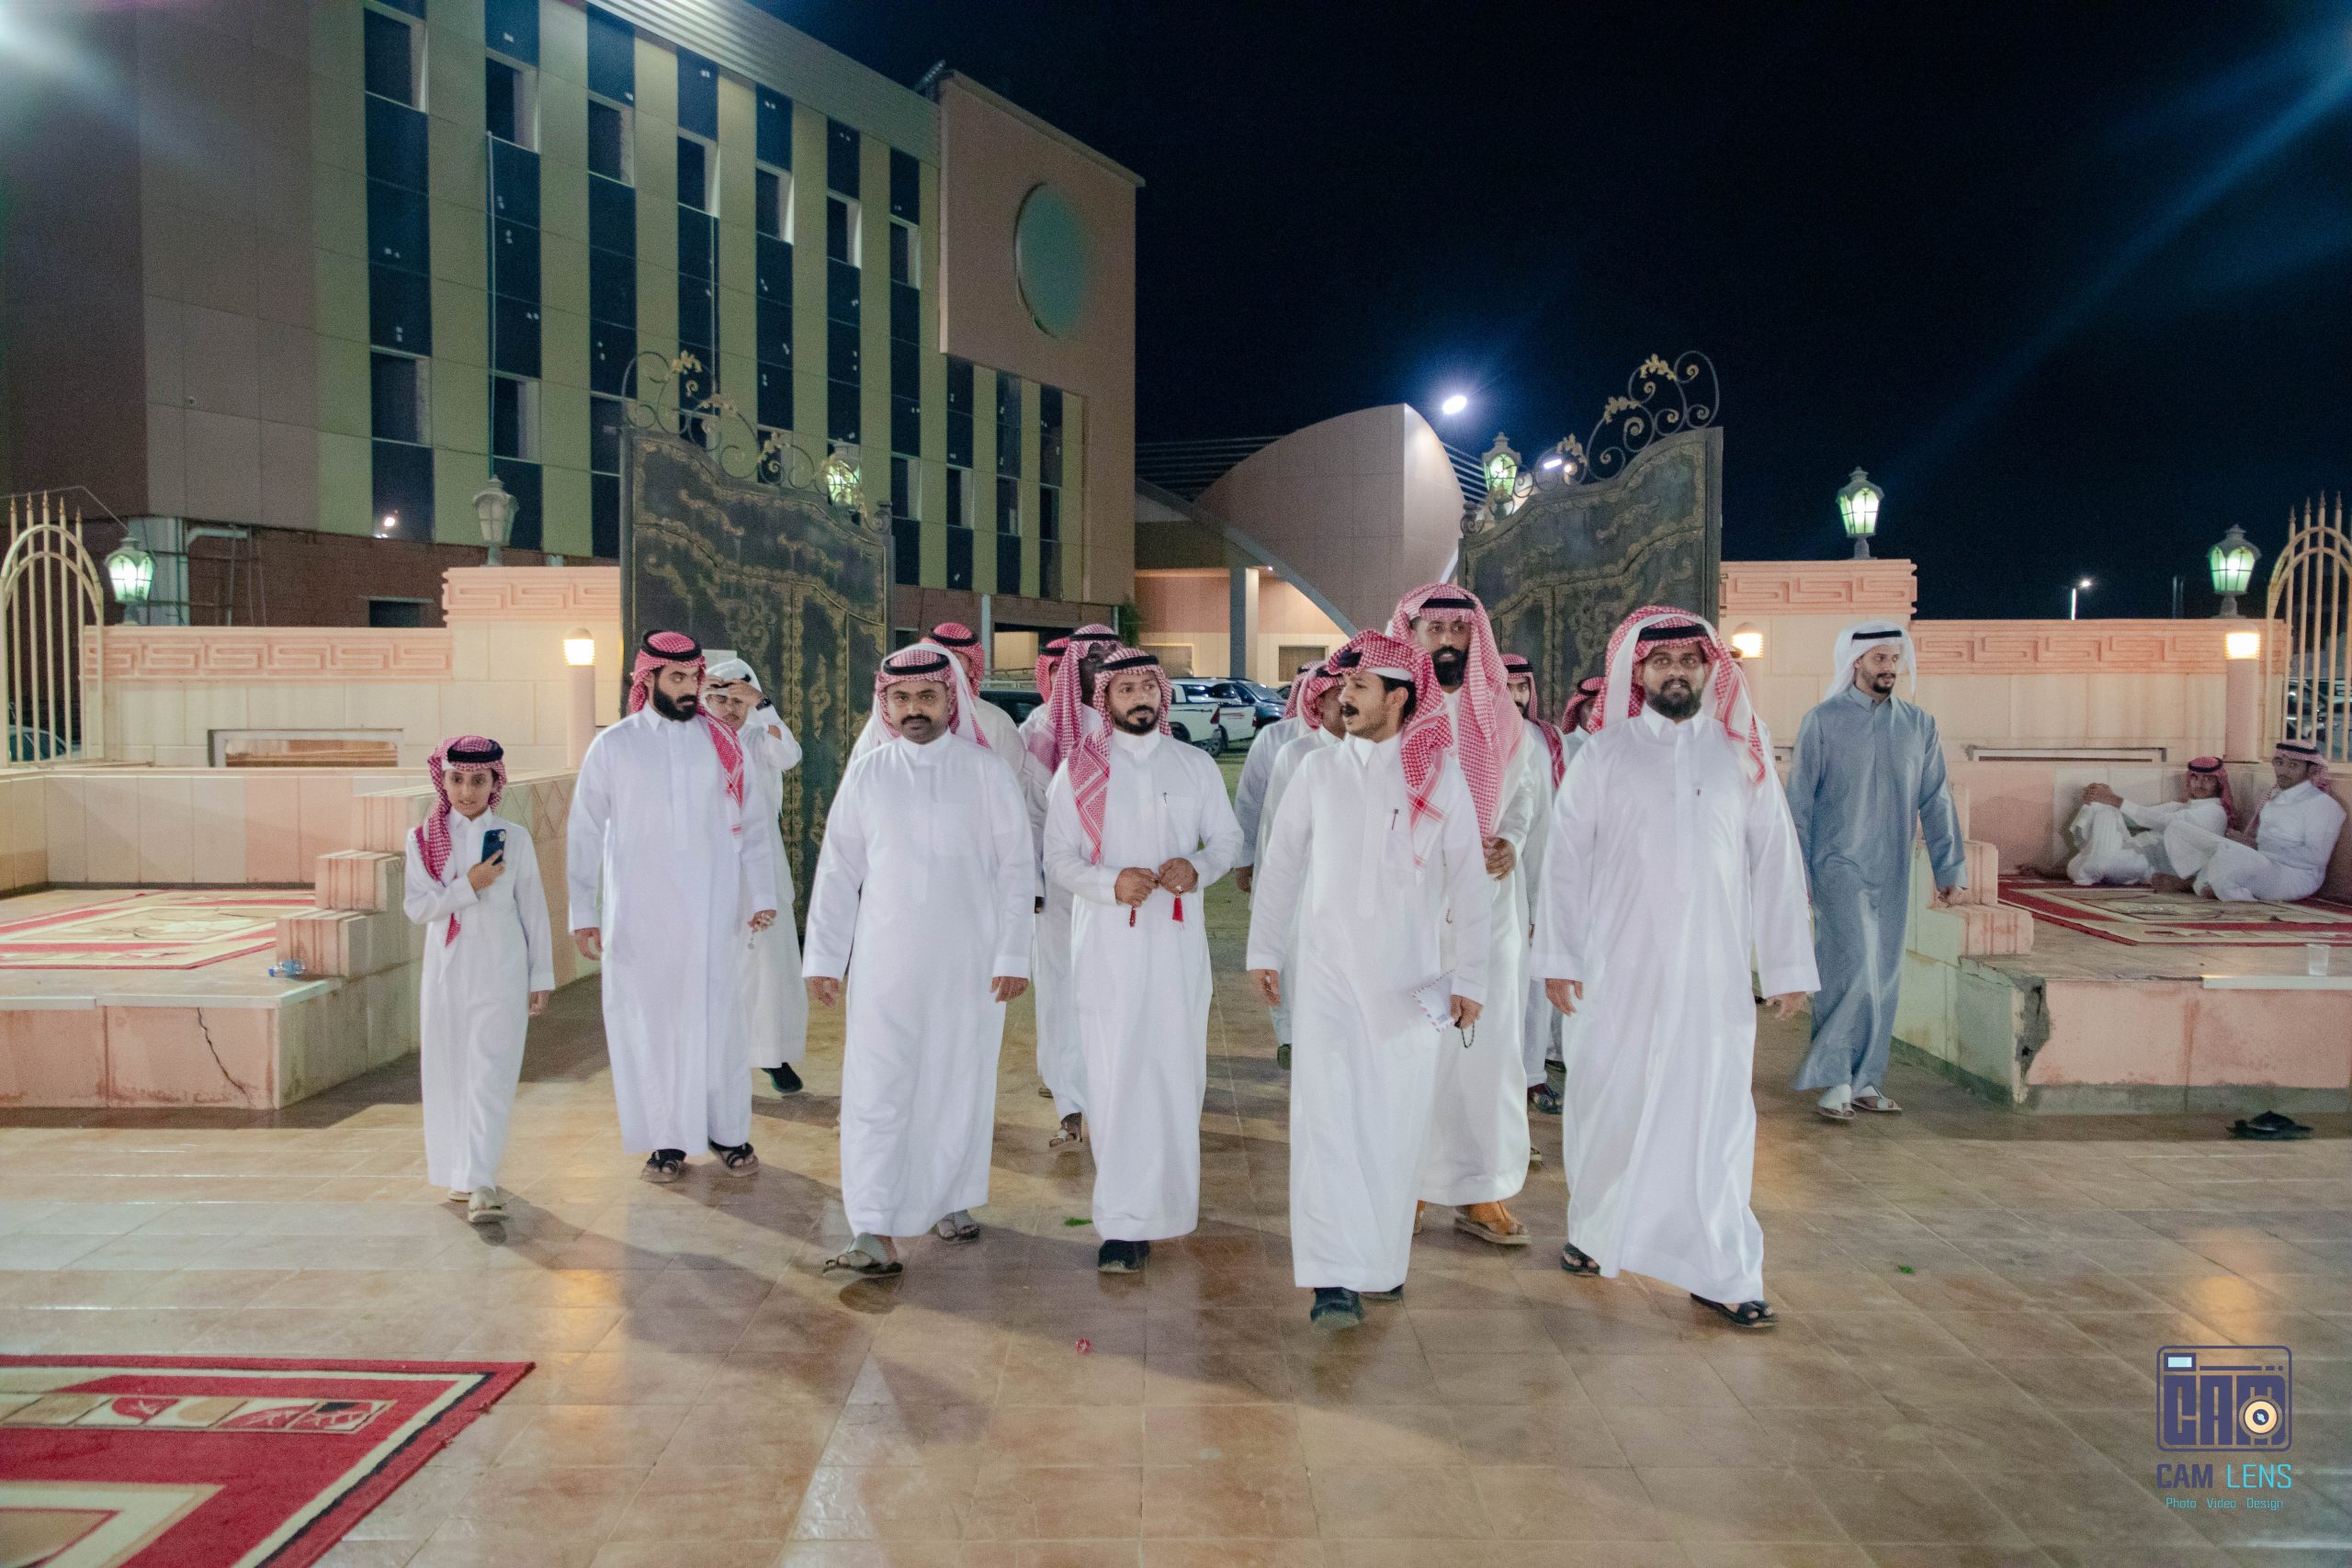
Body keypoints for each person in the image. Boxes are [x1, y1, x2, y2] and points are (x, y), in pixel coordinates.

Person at [1536, 607, 1816, 1331]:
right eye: (1661, 663)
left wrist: (1786, 964)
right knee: (1610, 1101)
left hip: (1711, 975)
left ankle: (1723, 1267)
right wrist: (1559, 956)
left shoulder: (1740, 755)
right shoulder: (1605, 755)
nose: (1676, 674)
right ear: (1639, 673)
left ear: (1708, 669)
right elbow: (1564, 862)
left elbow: (1776, 858)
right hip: (1617, 968)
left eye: (1689, 661)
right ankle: (1595, 1229)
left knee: (1715, 1115)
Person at [1247, 632, 1488, 1329]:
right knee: (1325, 1120)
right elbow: (1281, 863)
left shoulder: (1440, 779)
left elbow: (1470, 883)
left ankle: (1378, 1264)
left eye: (1359, 686)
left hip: (1407, 980)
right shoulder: (1317, 772)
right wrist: (1264, 950)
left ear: (1400, 698)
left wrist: (1472, 976)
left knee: (1392, 1122)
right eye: (1342, 686)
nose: (1343, 696)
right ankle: (1331, 1275)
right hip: (1325, 976)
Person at [802, 648, 1035, 1277]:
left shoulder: (986, 772)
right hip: (885, 963)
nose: (914, 710)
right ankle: (872, 1227)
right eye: (901, 699)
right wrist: (824, 956)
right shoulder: (870, 774)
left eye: (926, 697)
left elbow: (1017, 870)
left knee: (957, 1083)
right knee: (875, 1090)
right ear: (885, 703)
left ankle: (950, 1197)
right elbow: (838, 869)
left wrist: (1014, 952)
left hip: (970, 963)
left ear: (950, 700)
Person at [1044, 648, 1245, 1273]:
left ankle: (1173, 1207)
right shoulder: (1078, 772)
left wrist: (1199, 866)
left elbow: (1228, 839)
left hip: (1176, 947)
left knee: (1176, 1071)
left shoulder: (1194, 764)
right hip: (1107, 947)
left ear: (1162, 693)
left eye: (1148, 687)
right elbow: (1058, 858)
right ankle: (1124, 1223)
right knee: (1114, 1072)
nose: (1139, 698)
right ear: (1105, 698)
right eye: (1126, 688)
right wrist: (1110, 883)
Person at [568, 630, 778, 1183]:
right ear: (649, 680)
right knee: (652, 1026)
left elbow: (754, 823)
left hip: (713, 908)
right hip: (641, 914)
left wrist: (760, 894)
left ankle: (728, 1131)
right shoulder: (615, 746)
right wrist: (583, 912)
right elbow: (584, 832)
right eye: (677, 678)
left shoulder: (722, 743)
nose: (689, 689)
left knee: (720, 1020)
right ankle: (666, 1142)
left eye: (694, 678)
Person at [1388, 584, 1539, 1247]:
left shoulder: (1503, 718)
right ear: (1412, 635)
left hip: (1488, 907)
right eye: (1435, 628)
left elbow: (1526, 795)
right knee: (1415, 1048)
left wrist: (1512, 840)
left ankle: (1483, 1191)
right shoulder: (1390, 715)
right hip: (1413, 911)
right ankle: (1411, 1184)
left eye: (1459, 628)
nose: (1448, 640)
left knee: (1489, 1052)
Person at [1785, 621, 1965, 1122]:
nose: (1889, 667)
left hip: (1893, 868)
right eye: (1879, 658)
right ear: (1856, 662)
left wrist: (1950, 868)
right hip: (1835, 864)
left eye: (1894, 659)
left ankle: (1865, 1079)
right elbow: (1798, 804)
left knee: (1884, 974)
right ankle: (1835, 1078)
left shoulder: (1919, 724)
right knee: (1853, 967)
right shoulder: (1822, 721)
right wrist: (1795, 875)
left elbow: (1937, 798)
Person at [404, 736, 552, 1224]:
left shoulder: (514, 837)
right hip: (446, 974)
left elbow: (533, 909)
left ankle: (483, 1180)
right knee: (450, 1072)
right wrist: (469, 885)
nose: (467, 791)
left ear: (494, 783)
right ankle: (462, 1172)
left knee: (491, 1073)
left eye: (478, 780)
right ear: (443, 781)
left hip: (502, 971)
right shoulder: (422, 840)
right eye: (457, 779)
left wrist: (541, 975)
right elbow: (419, 907)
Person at [1022, 622, 1125, 1153]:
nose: (1103, 664)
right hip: (1061, 883)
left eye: (1111, 654)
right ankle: (1070, 1101)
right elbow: (1031, 813)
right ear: (1073, 667)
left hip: (1122, 884)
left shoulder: (1130, 720)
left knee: (1114, 986)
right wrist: (1034, 882)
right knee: (1063, 989)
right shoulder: (1045, 727)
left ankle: (1113, 1091)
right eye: (1092, 657)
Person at [704, 659, 809, 1095]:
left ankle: (772, 1055)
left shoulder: (758, 737)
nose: (730, 710)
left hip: (761, 871)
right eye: (720, 700)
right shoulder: (695, 741)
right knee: (714, 969)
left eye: (738, 701)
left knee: (768, 968)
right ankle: (715, 1064)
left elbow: (789, 755)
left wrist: (763, 707)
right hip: (709, 869)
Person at [1254, 658, 1345, 1070]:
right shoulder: (1296, 754)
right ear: (1317, 703)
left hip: (1349, 896)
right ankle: (1291, 1038)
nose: (1346, 701)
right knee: (1294, 966)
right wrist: (1265, 892)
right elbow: (1273, 829)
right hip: (1302, 886)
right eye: (1336, 695)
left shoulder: (1379, 757)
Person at [1503, 653, 1571, 1121]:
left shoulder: (1547, 739)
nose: (1515, 697)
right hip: (1495, 877)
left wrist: (1540, 897)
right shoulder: (1477, 732)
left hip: (1540, 871)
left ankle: (1532, 1073)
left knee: (1535, 981)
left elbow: (1550, 817)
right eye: (1506, 687)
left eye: (1522, 687)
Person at [2157, 739, 2345, 902]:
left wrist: (2257, 846)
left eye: (2293, 765)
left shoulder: (2323, 806)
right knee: (2178, 829)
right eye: (2279, 763)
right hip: (2260, 859)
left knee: (2230, 854)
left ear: (2311, 770)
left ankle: (2203, 885)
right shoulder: (2275, 797)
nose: (2283, 771)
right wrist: (2250, 845)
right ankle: (2202, 881)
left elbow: (2315, 858)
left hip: (2293, 876)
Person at [2043, 758, 2232, 887]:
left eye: (2208, 778)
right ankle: (2085, 862)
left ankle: (2080, 864)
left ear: (2219, 784)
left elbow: (2165, 822)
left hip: (2148, 865)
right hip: (2132, 848)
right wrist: (2104, 797)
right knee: (2101, 805)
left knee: (2093, 865)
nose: (2200, 783)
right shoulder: (2179, 806)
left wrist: (2114, 800)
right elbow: (2133, 820)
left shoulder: (2215, 813)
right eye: (2195, 777)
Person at [1233, 660, 1327, 890]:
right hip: (1279, 855)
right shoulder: (1273, 737)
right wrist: (1245, 857)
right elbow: (1249, 800)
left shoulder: (1353, 741)